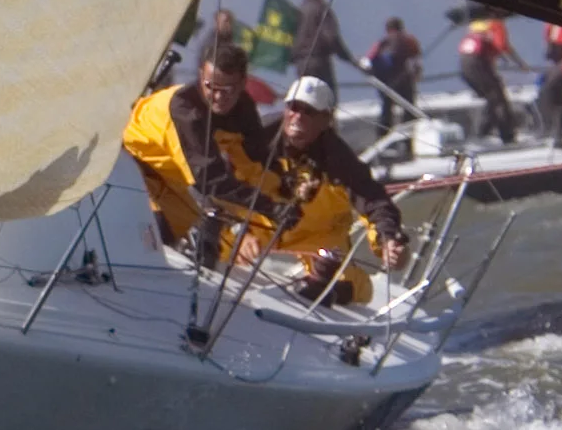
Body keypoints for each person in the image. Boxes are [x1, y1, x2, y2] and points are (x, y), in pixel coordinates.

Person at [251, 77, 412, 304]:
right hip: (260, 227)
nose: (298, 116)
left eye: (309, 111)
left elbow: (374, 201)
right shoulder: (257, 136)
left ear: (326, 119)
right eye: (294, 107)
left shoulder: (340, 159)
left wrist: (388, 240)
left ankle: (334, 292)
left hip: (319, 238)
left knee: (352, 285)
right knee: (219, 244)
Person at [122, 43, 279, 256]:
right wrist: (269, 206)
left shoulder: (244, 109)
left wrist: (283, 194)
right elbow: (208, 179)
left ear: (243, 83)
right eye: (210, 86)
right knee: (154, 231)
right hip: (132, 164)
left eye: (227, 90)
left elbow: (258, 160)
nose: (218, 97)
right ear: (200, 76)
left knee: (187, 230)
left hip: (169, 177)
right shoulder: (185, 110)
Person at [457, 9, 517, 144]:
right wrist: (518, 63)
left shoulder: (475, 28)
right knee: (498, 99)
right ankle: (506, 135)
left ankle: (483, 132)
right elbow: (501, 46)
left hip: (464, 66)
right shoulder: (496, 25)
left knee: (492, 98)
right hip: (477, 64)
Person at [361, 17, 424, 133]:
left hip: (396, 82)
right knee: (398, 111)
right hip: (397, 82)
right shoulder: (399, 42)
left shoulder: (396, 42)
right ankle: (396, 138)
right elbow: (417, 62)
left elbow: (366, 62)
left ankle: (396, 137)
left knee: (398, 110)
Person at [290, 0, 346, 89]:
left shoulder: (298, 11)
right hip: (319, 63)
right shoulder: (321, 9)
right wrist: (345, 56)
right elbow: (331, 37)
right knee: (327, 96)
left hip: (301, 65)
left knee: (306, 95)